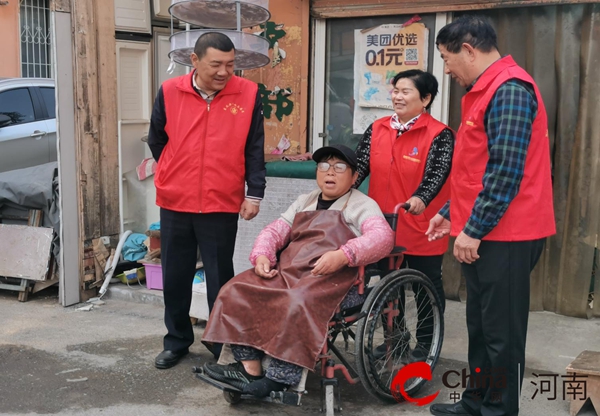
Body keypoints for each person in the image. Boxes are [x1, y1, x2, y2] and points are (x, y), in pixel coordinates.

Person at [427, 15, 555, 416]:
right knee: (480, 327)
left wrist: (474, 227)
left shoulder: (510, 90)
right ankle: (476, 402)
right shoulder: (482, 92)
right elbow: (474, 169)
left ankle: (499, 411)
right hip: (484, 230)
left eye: (447, 59)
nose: (446, 70)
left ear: (468, 49)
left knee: (502, 335)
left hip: (508, 234)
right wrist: (450, 213)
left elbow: (505, 172)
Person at [200, 144, 395, 398]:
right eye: (324, 166)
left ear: (355, 176)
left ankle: (280, 378)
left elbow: (383, 237)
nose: (330, 173)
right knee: (236, 289)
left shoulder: (362, 205)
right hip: (292, 272)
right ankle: (250, 367)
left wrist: (343, 255)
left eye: (339, 167)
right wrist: (262, 255)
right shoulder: (306, 201)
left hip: (335, 282)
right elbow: (276, 230)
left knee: (296, 301)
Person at [147, 32, 266, 369]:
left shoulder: (248, 93)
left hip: (221, 201)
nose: (224, 71)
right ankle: (177, 340)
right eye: (216, 64)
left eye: (230, 65)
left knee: (220, 278)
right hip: (175, 199)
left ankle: (218, 342)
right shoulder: (170, 91)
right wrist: (174, 169)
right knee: (175, 275)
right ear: (194, 61)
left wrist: (254, 192)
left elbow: (254, 147)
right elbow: (157, 138)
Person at [355, 69, 454, 358]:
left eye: (405, 91)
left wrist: (422, 197)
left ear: (425, 98)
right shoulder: (377, 128)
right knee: (387, 287)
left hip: (421, 223)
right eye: (395, 90)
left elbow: (437, 173)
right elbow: (360, 165)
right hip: (382, 224)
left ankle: (426, 344)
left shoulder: (440, 134)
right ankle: (393, 342)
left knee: (426, 288)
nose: (397, 96)